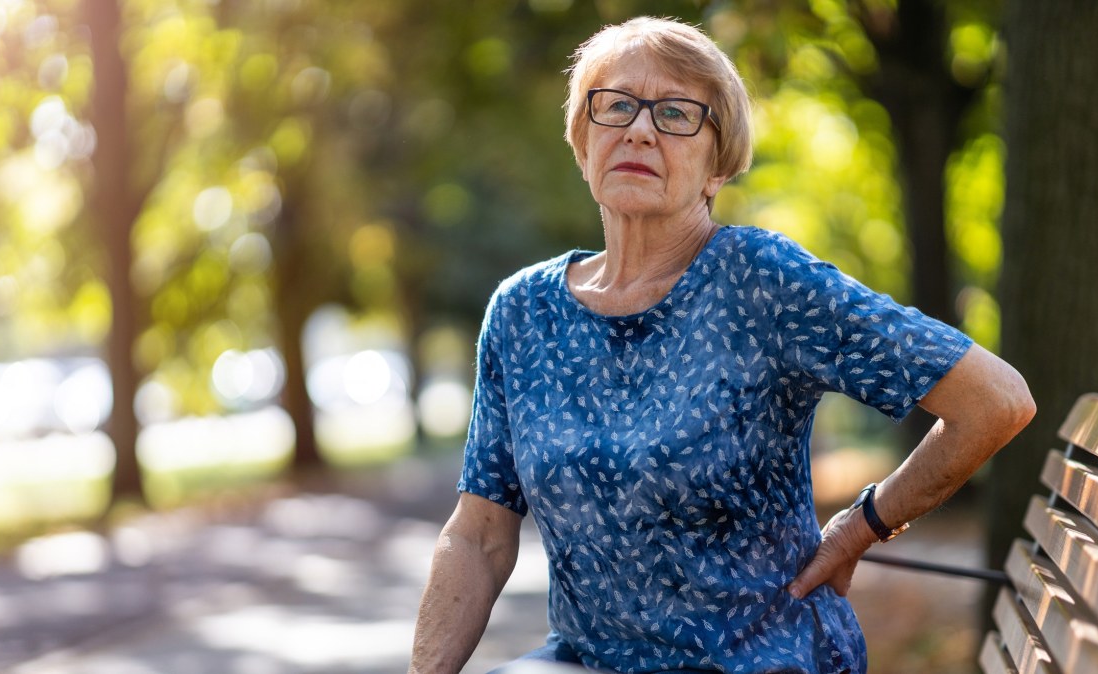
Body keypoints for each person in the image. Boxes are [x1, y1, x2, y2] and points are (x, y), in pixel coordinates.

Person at [409, 16, 1035, 674]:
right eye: (616, 105)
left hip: (760, 659)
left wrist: (864, 524)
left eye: (676, 114)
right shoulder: (522, 312)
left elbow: (995, 401)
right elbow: (478, 536)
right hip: (587, 662)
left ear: (718, 164)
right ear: (582, 142)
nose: (640, 128)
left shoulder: (765, 281)